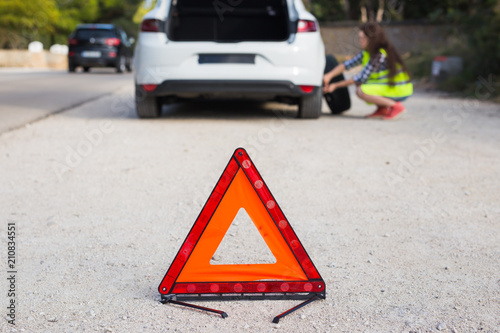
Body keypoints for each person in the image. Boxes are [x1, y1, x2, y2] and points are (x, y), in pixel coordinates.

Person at [323, 22, 413, 119]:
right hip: (392, 88)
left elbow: (359, 78)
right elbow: (347, 65)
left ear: (372, 39)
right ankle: (382, 109)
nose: (360, 41)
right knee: (362, 85)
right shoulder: (368, 52)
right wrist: (329, 75)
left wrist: (335, 85)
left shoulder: (378, 55)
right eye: (360, 38)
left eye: (363, 38)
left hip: (400, 90)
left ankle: (396, 107)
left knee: (361, 90)